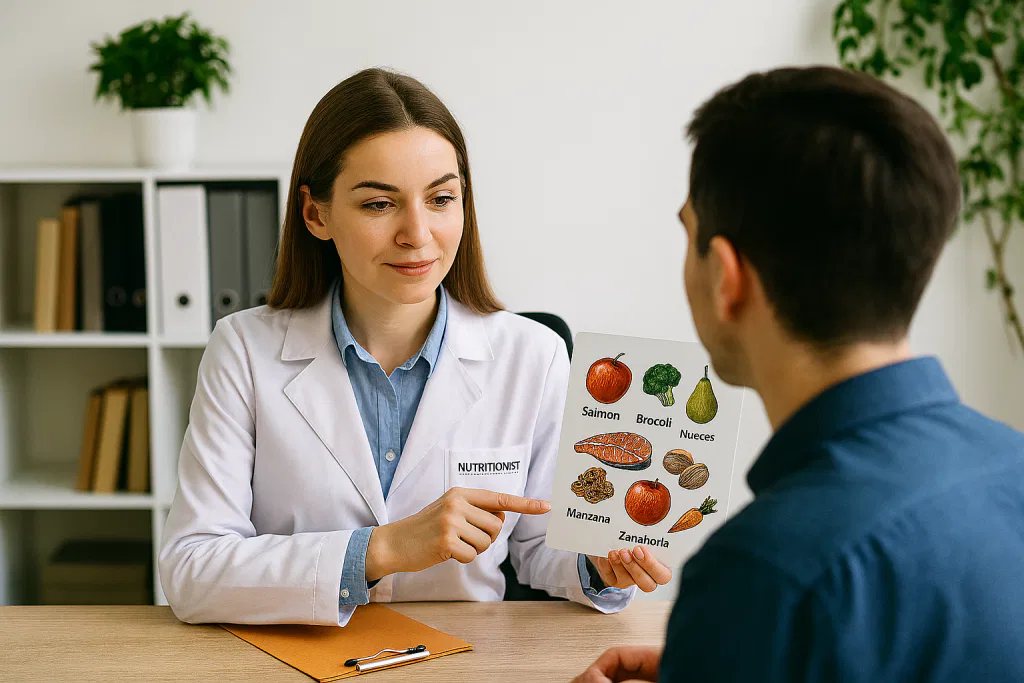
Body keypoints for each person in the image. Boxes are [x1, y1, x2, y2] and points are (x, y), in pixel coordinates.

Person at [158, 68, 672, 626]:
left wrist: (597, 562)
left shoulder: (536, 354)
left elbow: (540, 544)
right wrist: (381, 550)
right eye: (380, 204)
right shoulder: (243, 350)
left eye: (441, 198)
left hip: (466, 659)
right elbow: (193, 567)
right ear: (315, 213)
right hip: (295, 659)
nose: (418, 234)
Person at [574, 65, 1024, 682]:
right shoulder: (1013, 465)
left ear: (727, 278)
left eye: (689, 235)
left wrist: (739, 637)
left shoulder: (761, 573)